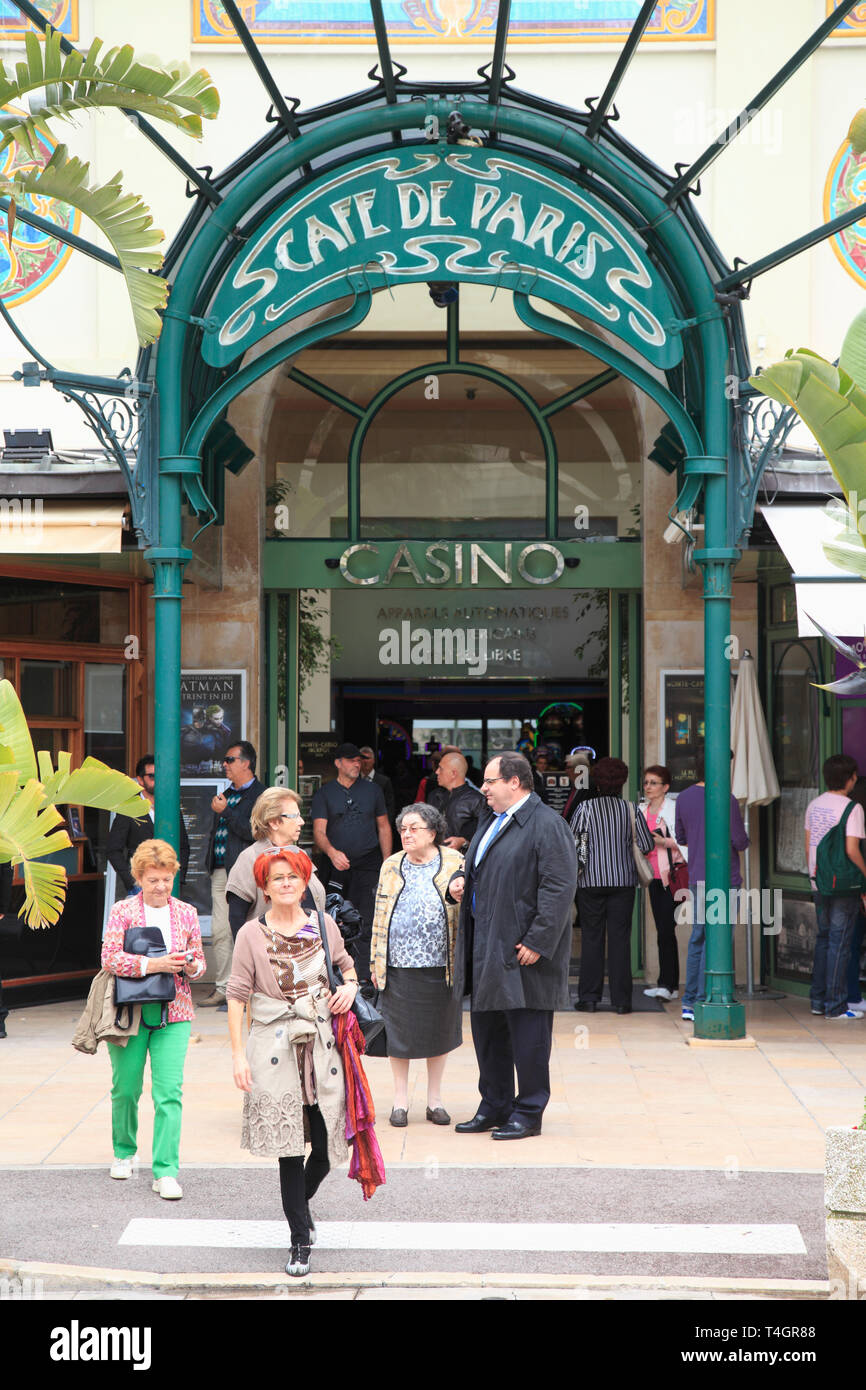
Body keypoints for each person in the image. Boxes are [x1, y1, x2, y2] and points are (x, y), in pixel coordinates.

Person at [227, 848, 358, 1277]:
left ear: (305, 883)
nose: (286, 883)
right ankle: (299, 1239)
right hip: (273, 1047)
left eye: (293, 877)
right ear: (263, 888)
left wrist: (351, 989)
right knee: (287, 1149)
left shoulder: (323, 925)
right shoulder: (251, 933)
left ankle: (300, 1207)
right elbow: (236, 996)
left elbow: (347, 969)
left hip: (321, 1047)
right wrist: (236, 1055)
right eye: (276, 878)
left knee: (323, 1148)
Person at [449, 752, 576, 1139]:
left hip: (523, 951)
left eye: (489, 781)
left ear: (514, 783)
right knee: (489, 1035)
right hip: (487, 947)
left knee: (529, 1038)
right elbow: (477, 865)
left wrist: (539, 940)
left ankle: (528, 1112)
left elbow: (559, 887)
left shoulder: (546, 824)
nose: (483, 789)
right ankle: (495, 1105)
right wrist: (459, 878)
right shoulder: (491, 819)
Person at [101, 839, 206, 1199]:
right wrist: (153, 965)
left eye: (166, 878)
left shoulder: (187, 913)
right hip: (129, 1013)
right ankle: (124, 1150)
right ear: (139, 878)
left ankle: (166, 1171)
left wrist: (191, 966)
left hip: (175, 1012)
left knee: (168, 1093)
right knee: (126, 1088)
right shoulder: (122, 911)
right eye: (153, 880)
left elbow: (200, 961)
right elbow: (109, 958)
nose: (161, 886)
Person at [370, 803, 464, 1127]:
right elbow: (379, 915)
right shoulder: (391, 865)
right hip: (398, 964)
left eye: (414, 828)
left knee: (439, 1032)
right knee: (399, 1034)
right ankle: (399, 1102)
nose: (406, 835)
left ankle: (434, 1100)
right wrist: (375, 960)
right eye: (403, 829)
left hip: (441, 964)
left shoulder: (454, 862)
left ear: (433, 833)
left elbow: (469, 908)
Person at [571, 757, 654, 1014]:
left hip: (590, 882)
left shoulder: (584, 809)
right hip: (623, 883)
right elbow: (647, 845)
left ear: (596, 781)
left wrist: (582, 869)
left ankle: (589, 998)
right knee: (620, 941)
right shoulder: (630, 809)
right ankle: (622, 1001)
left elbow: (577, 846)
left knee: (592, 939)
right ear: (622, 782)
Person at [675, 751, 749, 1024]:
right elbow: (739, 841)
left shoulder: (683, 797)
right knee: (719, 938)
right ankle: (707, 998)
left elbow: (681, 836)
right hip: (724, 878)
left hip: (697, 876)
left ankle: (689, 1002)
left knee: (698, 937)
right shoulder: (726, 800)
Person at [311, 742, 392, 982]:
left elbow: (384, 826)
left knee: (367, 919)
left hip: (369, 863)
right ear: (338, 763)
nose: (357, 763)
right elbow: (318, 832)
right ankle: (336, 974)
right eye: (351, 760)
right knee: (333, 919)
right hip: (336, 866)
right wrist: (332, 852)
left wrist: (387, 863)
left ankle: (365, 977)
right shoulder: (325, 793)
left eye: (359, 760)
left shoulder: (373, 790)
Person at [201, 741, 265, 1010]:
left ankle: (247, 990)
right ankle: (224, 988)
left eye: (229, 760)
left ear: (245, 763)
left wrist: (226, 812)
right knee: (220, 931)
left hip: (246, 873)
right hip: (220, 871)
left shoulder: (262, 795)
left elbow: (256, 833)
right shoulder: (226, 794)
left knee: (246, 929)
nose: (224, 765)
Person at [805, 754, 866, 1020]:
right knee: (840, 943)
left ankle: (818, 1001)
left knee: (824, 939)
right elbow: (852, 849)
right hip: (842, 884)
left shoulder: (814, 804)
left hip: (818, 880)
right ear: (850, 778)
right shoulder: (853, 808)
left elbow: (809, 843)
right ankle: (836, 1006)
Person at [226, 786, 326, 937]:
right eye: (294, 816)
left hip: (311, 953)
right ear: (273, 822)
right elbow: (236, 919)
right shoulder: (250, 858)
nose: (302, 822)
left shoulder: (300, 855)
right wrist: (253, 957)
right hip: (271, 956)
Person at [107, 754, 190, 898]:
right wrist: (133, 881)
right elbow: (113, 849)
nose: (158, 780)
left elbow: (183, 846)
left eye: (161, 775)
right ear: (140, 780)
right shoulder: (129, 807)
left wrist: (178, 880)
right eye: (152, 776)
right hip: (141, 885)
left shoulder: (171, 806)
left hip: (169, 885)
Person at [639, 764, 687, 1002]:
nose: (648, 787)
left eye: (654, 783)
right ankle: (666, 984)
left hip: (672, 877)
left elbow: (686, 842)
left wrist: (663, 842)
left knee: (667, 931)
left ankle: (669, 985)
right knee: (662, 930)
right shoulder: (641, 809)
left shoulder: (674, 809)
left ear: (666, 787)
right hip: (651, 876)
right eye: (646, 782)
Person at [435, 751, 484, 852]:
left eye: (441, 768)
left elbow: (486, 837)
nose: (436, 772)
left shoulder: (476, 800)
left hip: (462, 861)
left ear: (453, 773)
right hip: (433, 859)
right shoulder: (434, 796)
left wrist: (464, 842)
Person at [846, 776, 866, 1015]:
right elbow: (854, 851)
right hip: (856, 891)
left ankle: (850, 993)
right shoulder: (854, 815)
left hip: (849, 889)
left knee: (848, 944)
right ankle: (851, 994)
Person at [359, 745, 397, 827]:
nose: (365, 761)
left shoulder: (384, 781)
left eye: (368, 758)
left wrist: (385, 826)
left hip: (378, 829)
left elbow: (390, 807)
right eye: (362, 758)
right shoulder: (352, 781)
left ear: (373, 760)